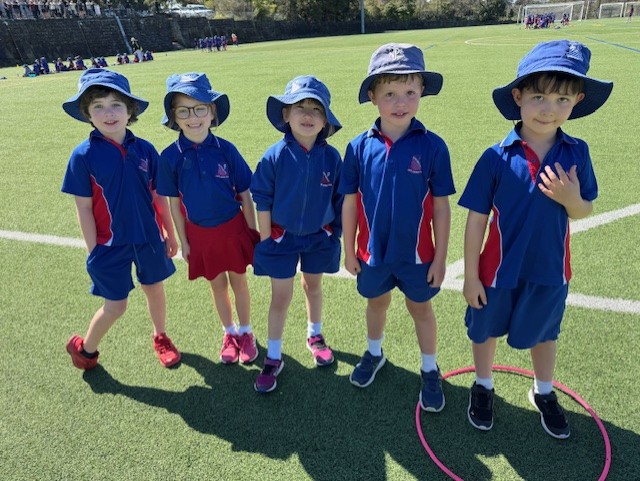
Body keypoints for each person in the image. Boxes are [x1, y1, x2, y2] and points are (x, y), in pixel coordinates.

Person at [459, 40, 613, 439]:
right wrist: (471, 276)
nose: (549, 109)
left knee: (545, 333)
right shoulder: (495, 157)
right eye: (539, 97)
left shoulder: (577, 152)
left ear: (577, 101)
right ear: (518, 97)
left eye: (562, 99)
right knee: (485, 329)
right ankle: (483, 385)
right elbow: (476, 221)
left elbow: (584, 209)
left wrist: (571, 199)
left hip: (549, 270)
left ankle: (543, 391)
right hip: (495, 271)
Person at [339, 43, 455, 412]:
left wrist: (440, 258)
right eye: (389, 93)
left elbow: (441, 207)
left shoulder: (434, 146)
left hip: (418, 256)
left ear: (422, 91)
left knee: (421, 309)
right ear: (373, 96)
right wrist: (348, 250)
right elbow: (349, 202)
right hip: (372, 253)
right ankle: (375, 353)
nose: (400, 102)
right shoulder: (357, 147)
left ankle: (429, 368)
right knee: (376, 303)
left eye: (409, 92)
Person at [62, 69, 182, 370]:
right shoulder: (83, 156)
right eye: (98, 106)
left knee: (155, 288)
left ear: (130, 111)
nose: (109, 113)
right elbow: (84, 208)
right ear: (88, 114)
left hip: (149, 238)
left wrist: (170, 234)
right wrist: (93, 249)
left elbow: (158, 197)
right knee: (116, 305)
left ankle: (160, 336)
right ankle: (85, 349)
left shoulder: (145, 150)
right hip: (109, 245)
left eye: (116, 105)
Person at [157, 72, 260, 365]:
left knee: (239, 282)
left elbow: (245, 194)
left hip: (233, 230)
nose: (193, 117)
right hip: (200, 235)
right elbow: (173, 203)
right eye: (184, 111)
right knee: (217, 285)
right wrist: (183, 241)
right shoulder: (170, 157)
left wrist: (252, 232)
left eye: (200, 108)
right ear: (174, 117)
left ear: (212, 112)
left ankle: (246, 332)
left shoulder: (226, 149)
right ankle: (229, 332)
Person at [250, 75, 343, 393]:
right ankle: (274, 356)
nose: (308, 115)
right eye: (299, 106)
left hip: (318, 237)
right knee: (280, 296)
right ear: (285, 114)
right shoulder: (274, 156)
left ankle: (315, 335)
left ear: (325, 120)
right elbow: (262, 197)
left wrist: (334, 232)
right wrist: (267, 237)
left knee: (313, 286)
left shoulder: (332, 157)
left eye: (316, 109)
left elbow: (340, 199)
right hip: (281, 238)